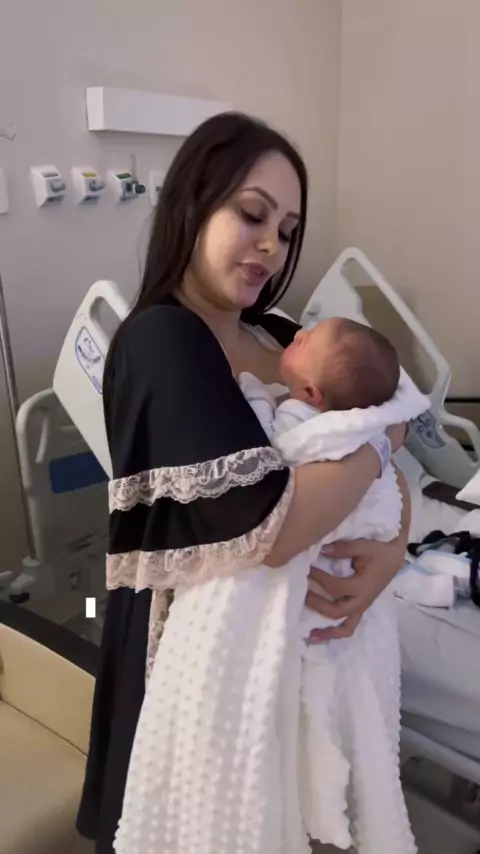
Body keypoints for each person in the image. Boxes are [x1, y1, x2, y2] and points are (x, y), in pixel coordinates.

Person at [76, 111, 409, 853]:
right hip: (198, 664)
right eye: (252, 215)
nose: (272, 246)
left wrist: (392, 550)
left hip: (300, 657)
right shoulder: (163, 340)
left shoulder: (283, 334)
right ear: (192, 204)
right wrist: (375, 448)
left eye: (287, 231)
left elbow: (398, 432)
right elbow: (270, 526)